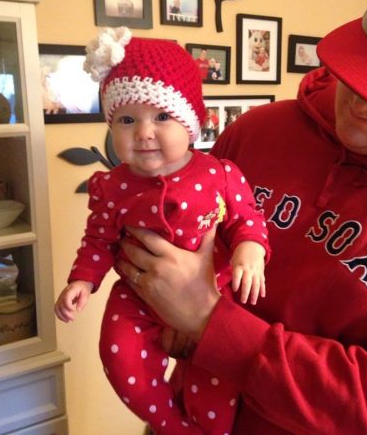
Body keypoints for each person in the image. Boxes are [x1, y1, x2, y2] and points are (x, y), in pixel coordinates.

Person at [118, 0, 367, 434]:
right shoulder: (258, 129)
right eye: (357, 72)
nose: (358, 102)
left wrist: (209, 323)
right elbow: (177, 231)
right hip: (184, 415)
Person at [54, 28, 270, 435]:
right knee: (119, 359)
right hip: (136, 297)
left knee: (216, 373)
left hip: (213, 293)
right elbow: (98, 240)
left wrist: (250, 249)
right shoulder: (111, 186)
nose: (143, 132)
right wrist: (82, 280)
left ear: (191, 123)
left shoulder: (219, 173)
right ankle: (171, 424)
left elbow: (247, 217)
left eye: (162, 117)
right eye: (127, 119)